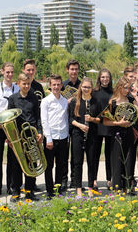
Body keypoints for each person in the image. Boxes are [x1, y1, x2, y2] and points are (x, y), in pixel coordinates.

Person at [103, 77, 138, 193]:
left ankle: (129, 187)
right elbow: (105, 121)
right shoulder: (113, 102)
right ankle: (117, 188)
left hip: (129, 133)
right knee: (117, 161)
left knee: (130, 159)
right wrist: (118, 123)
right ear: (119, 87)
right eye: (126, 88)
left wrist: (136, 96)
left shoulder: (131, 100)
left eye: (129, 88)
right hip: (117, 133)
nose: (128, 90)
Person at [7, 73, 43, 202]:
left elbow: (38, 117)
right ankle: (16, 191)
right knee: (16, 165)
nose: (27, 86)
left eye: (28, 84)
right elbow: (9, 119)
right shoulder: (12, 99)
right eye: (24, 84)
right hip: (17, 135)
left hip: (31, 135)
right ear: (18, 84)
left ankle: (29, 191)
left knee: (32, 163)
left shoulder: (34, 98)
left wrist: (39, 132)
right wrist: (10, 138)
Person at [0, 62, 19, 197]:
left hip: (12, 127)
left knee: (12, 158)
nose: (10, 75)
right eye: (7, 72)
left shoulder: (17, 88)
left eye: (12, 72)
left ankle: (11, 186)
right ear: (2, 72)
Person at [69, 78, 100, 197]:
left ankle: (90, 187)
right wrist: (80, 125)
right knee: (77, 162)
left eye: (88, 87)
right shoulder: (74, 101)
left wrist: (92, 119)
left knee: (91, 162)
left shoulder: (95, 102)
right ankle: (78, 189)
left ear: (91, 88)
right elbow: (70, 119)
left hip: (92, 135)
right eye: (84, 87)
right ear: (81, 87)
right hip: (77, 135)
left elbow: (100, 119)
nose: (86, 89)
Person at [41, 74, 69, 199]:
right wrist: (49, 139)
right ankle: (49, 191)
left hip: (63, 137)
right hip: (50, 138)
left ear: (61, 85)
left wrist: (67, 136)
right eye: (54, 85)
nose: (56, 87)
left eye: (58, 84)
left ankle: (57, 189)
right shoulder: (46, 101)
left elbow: (66, 119)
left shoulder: (65, 101)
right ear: (50, 86)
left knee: (61, 165)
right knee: (49, 166)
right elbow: (44, 121)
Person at [22, 59, 45, 192]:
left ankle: (32, 183)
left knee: (34, 155)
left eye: (33, 70)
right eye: (28, 70)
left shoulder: (39, 87)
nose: (30, 72)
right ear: (24, 70)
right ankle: (18, 184)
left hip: (34, 125)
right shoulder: (20, 85)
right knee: (21, 157)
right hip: (22, 127)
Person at [91, 69, 113, 190]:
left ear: (110, 79)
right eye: (103, 77)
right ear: (99, 78)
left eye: (107, 77)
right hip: (97, 126)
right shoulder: (94, 92)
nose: (105, 79)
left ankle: (109, 179)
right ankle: (94, 180)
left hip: (109, 126)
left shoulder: (113, 92)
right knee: (95, 154)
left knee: (109, 155)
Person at [63, 59, 81, 190]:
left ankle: (75, 181)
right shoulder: (62, 85)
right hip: (64, 123)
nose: (74, 72)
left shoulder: (82, 85)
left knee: (76, 155)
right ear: (67, 70)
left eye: (76, 69)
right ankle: (63, 181)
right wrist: (66, 102)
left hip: (77, 123)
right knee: (64, 155)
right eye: (72, 69)